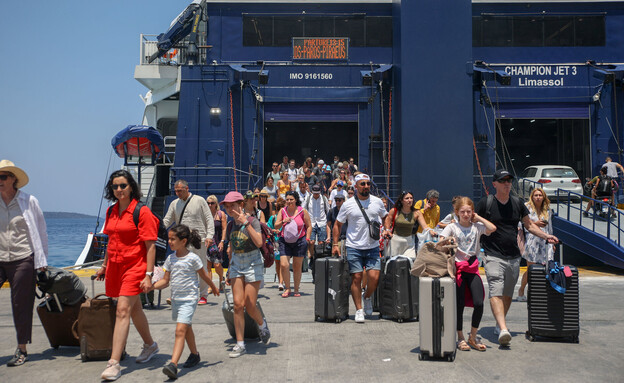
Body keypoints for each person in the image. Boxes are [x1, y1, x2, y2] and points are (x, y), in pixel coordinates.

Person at [475, 169, 558, 347]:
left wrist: (546, 237)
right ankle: (504, 329)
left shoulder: (517, 203)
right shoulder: (486, 203)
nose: (507, 183)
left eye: (509, 180)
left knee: (507, 294)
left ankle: (499, 323)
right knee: (495, 290)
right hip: (492, 254)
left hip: (513, 256)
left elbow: (529, 225)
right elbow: (472, 222)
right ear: (494, 184)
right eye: (503, 180)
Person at [96, 170, 159, 381]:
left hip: (135, 266)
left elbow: (150, 247)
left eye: (123, 185)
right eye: (115, 186)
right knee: (134, 310)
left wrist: (148, 275)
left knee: (122, 310)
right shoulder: (111, 211)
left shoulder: (142, 212)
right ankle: (150, 345)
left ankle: (114, 363)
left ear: (131, 186)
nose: (119, 190)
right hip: (115, 267)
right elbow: (111, 241)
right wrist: (104, 266)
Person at [153, 224, 220, 380]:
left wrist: (213, 287)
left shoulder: (193, 258)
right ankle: (195, 355)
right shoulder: (170, 259)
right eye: (169, 239)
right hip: (176, 300)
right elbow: (165, 281)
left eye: (172, 239)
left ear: (183, 241)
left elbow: (204, 275)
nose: (169, 242)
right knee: (186, 326)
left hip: (189, 300)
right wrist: (151, 287)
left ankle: (173, 365)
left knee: (180, 331)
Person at [0, 160, 48, 367]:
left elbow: (41, 232)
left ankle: (21, 349)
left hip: (23, 258)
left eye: (3, 177)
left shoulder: (29, 201)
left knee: (21, 304)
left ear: (13, 179)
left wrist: (42, 262)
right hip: (0, 257)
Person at [440, 197, 496, 352]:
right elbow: (441, 240)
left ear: (472, 212)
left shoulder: (477, 226)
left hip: (472, 268)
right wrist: (449, 241)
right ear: (457, 212)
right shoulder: (453, 227)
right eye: (462, 211)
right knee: (459, 305)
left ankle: (472, 335)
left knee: (479, 302)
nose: (465, 214)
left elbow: (492, 228)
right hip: (457, 269)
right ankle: (460, 337)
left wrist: (478, 218)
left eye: (468, 212)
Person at [332, 174, 388, 323]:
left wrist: (387, 228)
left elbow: (385, 216)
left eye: (368, 184)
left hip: (373, 246)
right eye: (362, 184)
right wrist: (335, 244)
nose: (366, 186)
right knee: (356, 278)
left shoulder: (377, 202)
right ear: (356, 186)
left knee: (374, 277)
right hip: (353, 246)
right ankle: (359, 310)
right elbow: (337, 224)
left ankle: (367, 296)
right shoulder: (348, 204)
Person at [221, 191, 271, 358]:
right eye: (227, 206)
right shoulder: (229, 225)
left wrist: (246, 223)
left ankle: (262, 324)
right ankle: (240, 344)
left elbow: (258, 242)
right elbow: (232, 249)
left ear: (241, 205)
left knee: (250, 304)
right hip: (237, 263)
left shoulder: (252, 221)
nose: (229, 209)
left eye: (233, 205)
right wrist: (229, 271)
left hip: (253, 262)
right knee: (237, 304)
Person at [163, 180, 215, 304]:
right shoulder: (174, 204)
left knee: (201, 266)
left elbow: (209, 218)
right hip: (181, 241)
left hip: (199, 239)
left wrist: (209, 236)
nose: (178, 193)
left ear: (187, 188)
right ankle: (177, 295)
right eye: (176, 191)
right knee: (180, 268)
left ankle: (203, 295)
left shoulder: (200, 200)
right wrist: (156, 230)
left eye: (180, 190)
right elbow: (167, 220)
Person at [517, 188, 555, 301]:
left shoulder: (547, 210)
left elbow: (550, 227)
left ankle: (540, 293)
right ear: (532, 197)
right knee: (531, 268)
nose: (538, 197)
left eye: (540, 195)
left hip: (545, 241)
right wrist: (535, 224)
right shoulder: (527, 208)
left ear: (543, 197)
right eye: (536, 195)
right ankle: (522, 290)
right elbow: (521, 223)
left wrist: (552, 241)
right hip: (532, 240)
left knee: (547, 267)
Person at [274, 191, 312, 298]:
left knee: (297, 266)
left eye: (291, 199)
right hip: (284, 241)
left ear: (296, 200)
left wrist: (307, 238)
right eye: (287, 199)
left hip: (300, 241)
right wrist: (283, 221)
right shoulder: (282, 211)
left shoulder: (302, 211)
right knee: (284, 265)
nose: (289, 201)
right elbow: (276, 226)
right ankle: (287, 288)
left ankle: (296, 289)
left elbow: (309, 226)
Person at [383, 191, 427, 260]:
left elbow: (425, 226)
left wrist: (431, 231)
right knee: (394, 264)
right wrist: (387, 230)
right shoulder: (394, 211)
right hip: (395, 241)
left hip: (409, 242)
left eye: (411, 198)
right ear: (401, 201)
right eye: (407, 198)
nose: (409, 200)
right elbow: (388, 220)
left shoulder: (417, 213)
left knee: (410, 263)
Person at [303, 184, 330, 268]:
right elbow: (304, 209)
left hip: (321, 221)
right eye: (314, 193)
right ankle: (312, 257)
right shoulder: (308, 199)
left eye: (317, 193)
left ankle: (319, 258)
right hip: (311, 222)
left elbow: (328, 210)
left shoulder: (324, 199)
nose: (316, 195)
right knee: (311, 241)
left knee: (321, 242)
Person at [206, 195, 227, 290]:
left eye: (212, 203)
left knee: (217, 264)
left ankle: (221, 278)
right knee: (208, 265)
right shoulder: (205, 214)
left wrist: (222, 241)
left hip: (217, 241)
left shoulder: (220, 214)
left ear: (216, 204)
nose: (210, 205)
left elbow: (224, 228)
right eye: (208, 203)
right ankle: (210, 286)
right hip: (207, 242)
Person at [267, 197, 286, 290]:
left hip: (285, 241)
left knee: (283, 263)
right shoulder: (273, 218)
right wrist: (274, 230)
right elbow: (268, 228)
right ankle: (280, 281)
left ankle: (281, 282)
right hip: (276, 242)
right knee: (278, 263)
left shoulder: (287, 218)